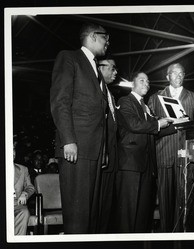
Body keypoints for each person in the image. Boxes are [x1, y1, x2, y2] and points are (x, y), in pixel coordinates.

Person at [50, 22, 109, 234]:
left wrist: (102, 151)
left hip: (93, 151)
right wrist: (68, 140)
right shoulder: (69, 58)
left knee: (91, 215)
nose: (107, 43)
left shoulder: (96, 69)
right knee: (78, 216)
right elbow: (60, 101)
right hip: (76, 148)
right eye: (105, 38)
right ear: (93, 36)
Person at [114, 72, 175, 233]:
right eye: (142, 80)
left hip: (147, 166)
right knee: (128, 215)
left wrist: (178, 124)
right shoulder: (125, 101)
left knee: (142, 215)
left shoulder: (146, 106)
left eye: (148, 82)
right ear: (132, 83)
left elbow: (155, 131)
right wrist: (158, 123)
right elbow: (134, 124)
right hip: (131, 165)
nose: (146, 84)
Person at [148, 63, 194, 232]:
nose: (178, 76)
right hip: (163, 154)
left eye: (181, 73)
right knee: (164, 202)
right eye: (174, 73)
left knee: (183, 202)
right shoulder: (155, 98)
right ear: (167, 76)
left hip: (185, 157)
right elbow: (150, 126)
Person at [96, 57, 118, 233]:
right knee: (98, 204)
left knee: (106, 206)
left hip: (110, 156)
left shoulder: (109, 93)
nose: (115, 72)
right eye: (112, 68)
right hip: (101, 155)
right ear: (100, 68)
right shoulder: (96, 89)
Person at [14, 145, 35, 235]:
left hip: (16, 204)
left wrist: (25, 193)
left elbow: (30, 187)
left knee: (24, 212)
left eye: (13, 150)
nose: (12, 153)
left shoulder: (23, 169)